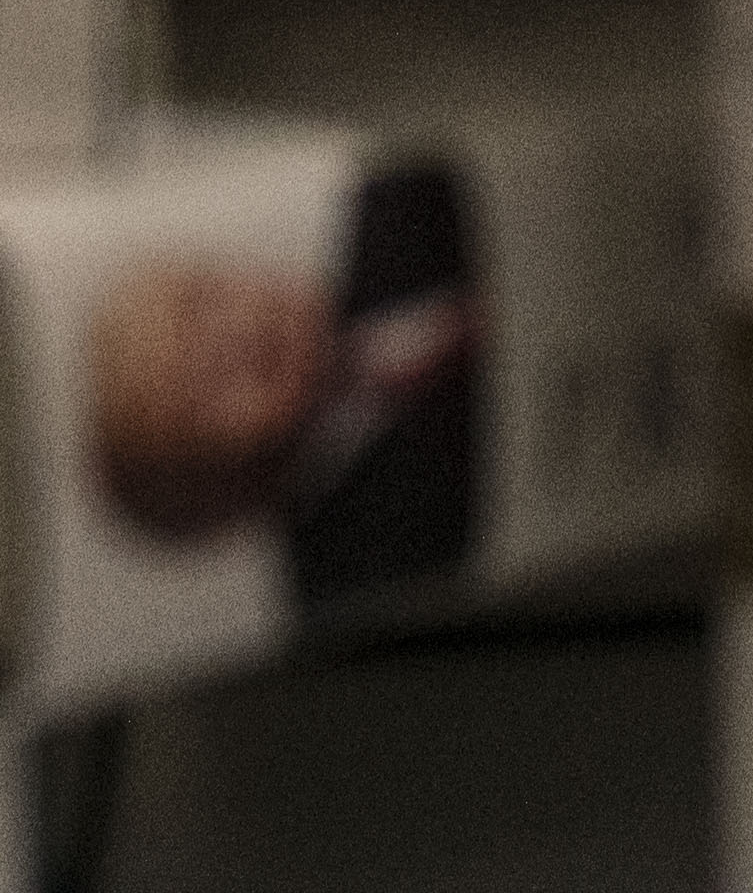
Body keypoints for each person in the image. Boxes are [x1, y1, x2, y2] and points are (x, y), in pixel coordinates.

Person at [73, 161, 490, 608]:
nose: (234, 340)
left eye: (203, 304)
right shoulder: (360, 584)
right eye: (199, 392)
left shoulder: (406, 204)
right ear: (225, 483)